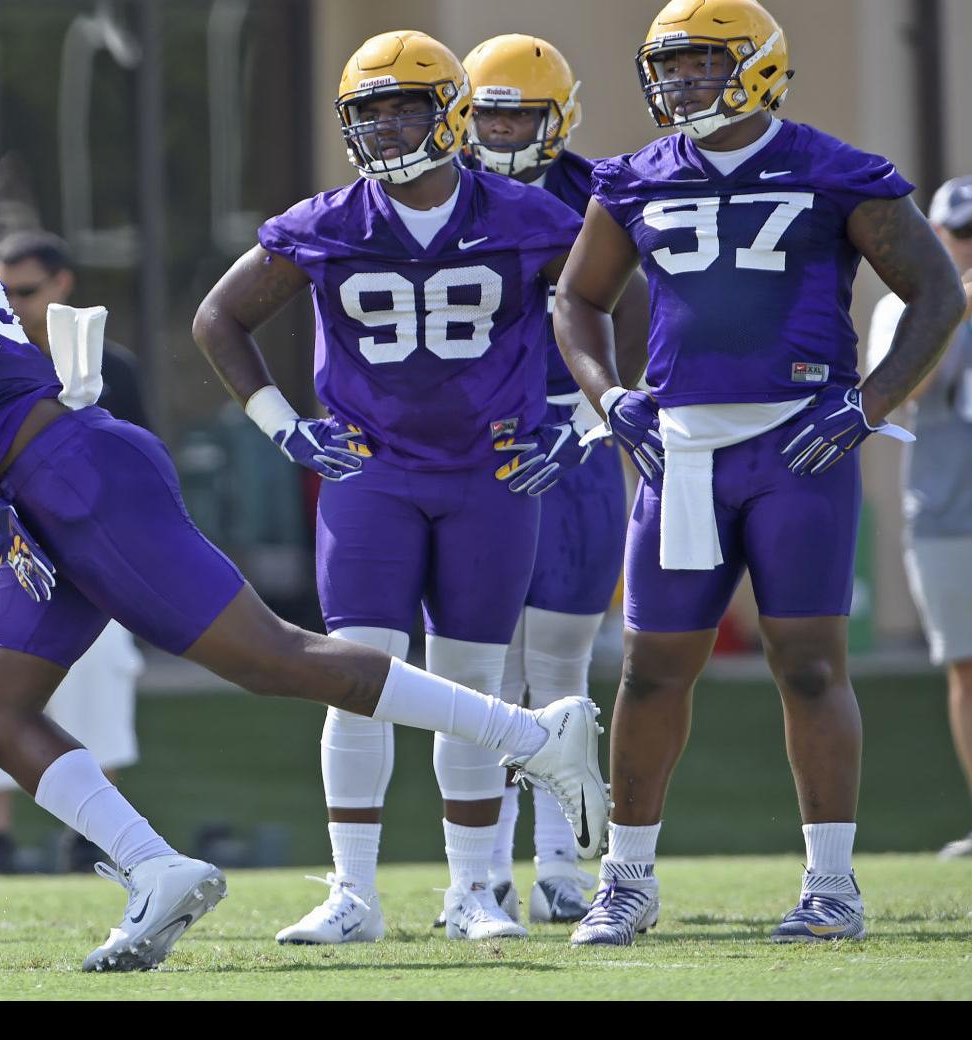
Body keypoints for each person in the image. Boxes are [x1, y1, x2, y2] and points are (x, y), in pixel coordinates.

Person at [0, 115, 608, 972]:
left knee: (273, 658)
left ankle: (530, 733)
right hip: (50, 492)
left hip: (71, 485)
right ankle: (153, 868)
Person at [192, 30, 633, 943]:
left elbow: (614, 302)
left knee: (468, 679)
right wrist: (284, 425)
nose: (386, 128)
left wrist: (584, 421)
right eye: (369, 112)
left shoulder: (531, 215)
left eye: (405, 107)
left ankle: (475, 891)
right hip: (374, 476)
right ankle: (351, 892)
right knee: (354, 675)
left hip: (490, 474)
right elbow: (219, 317)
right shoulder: (323, 222)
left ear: (451, 113)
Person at [552, 0, 967, 945]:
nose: (683, 82)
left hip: (795, 446)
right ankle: (625, 882)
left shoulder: (836, 170)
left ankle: (829, 887)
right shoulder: (635, 176)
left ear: (760, 69)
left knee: (811, 666)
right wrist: (606, 397)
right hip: (682, 447)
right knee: (652, 671)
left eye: (703, 64)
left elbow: (935, 290)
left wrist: (867, 405)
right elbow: (577, 299)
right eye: (673, 65)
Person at [462, 32, 650, 925]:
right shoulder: (435, 193)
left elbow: (644, 322)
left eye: (518, 114)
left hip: (571, 435)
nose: (499, 132)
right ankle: (484, 869)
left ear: (559, 118)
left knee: (562, 664)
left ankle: (562, 865)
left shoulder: (602, 194)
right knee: (482, 673)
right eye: (487, 112)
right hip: (468, 446)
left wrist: (588, 417)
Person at [0, 229, 147, 880]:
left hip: (89, 561)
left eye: (24, 291)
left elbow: (132, 463)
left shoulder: (114, 366)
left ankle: (90, 844)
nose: (11, 305)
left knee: (95, 692)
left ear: (62, 286)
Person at [865, 175, 972, 859]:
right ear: (933, 235)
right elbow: (900, 391)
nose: (966, 247)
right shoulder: (901, 306)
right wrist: (952, 307)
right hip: (943, 509)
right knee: (964, 667)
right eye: (959, 234)